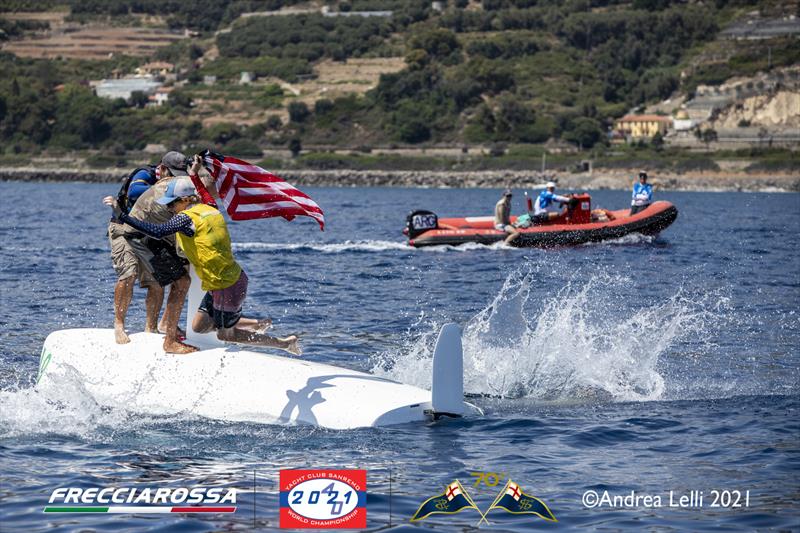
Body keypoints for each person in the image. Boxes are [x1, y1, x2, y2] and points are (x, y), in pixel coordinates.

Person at [108, 170, 300, 355]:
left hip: (227, 285)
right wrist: (195, 174)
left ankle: (283, 343)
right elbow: (204, 195)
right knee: (199, 327)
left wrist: (122, 216)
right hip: (221, 283)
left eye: (171, 204)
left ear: (184, 201)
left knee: (226, 334)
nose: (169, 208)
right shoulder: (210, 208)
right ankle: (253, 323)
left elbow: (157, 231)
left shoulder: (186, 219)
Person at [105, 152, 189, 348]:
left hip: (150, 234)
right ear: (162, 168)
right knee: (129, 273)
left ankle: (150, 327)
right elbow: (135, 192)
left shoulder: (176, 186)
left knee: (158, 282)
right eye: (172, 173)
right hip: (124, 229)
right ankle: (119, 324)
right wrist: (160, 189)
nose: (175, 178)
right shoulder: (146, 174)